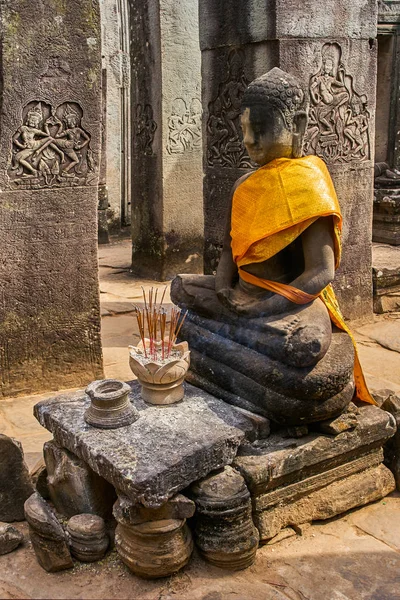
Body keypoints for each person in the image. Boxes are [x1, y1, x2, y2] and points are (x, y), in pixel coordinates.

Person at [171, 68, 375, 425]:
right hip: (240, 293)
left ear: (297, 125)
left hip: (287, 301)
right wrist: (221, 288)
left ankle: (239, 358)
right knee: (180, 292)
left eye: (261, 129)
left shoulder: (310, 183)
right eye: (245, 130)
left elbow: (321, 271)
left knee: (305, 347)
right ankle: (242, 354)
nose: (249, 140)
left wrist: (263, 307)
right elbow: (227, 251)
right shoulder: (243, 185)